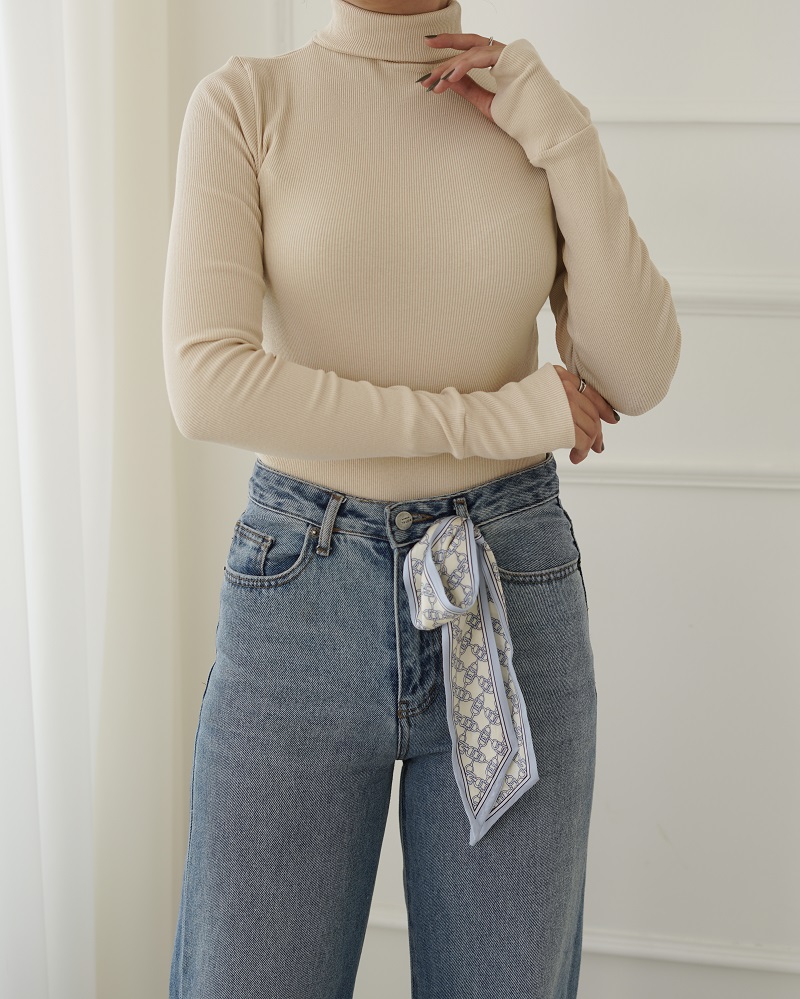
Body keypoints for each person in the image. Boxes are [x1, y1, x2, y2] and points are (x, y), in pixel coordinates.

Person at [162, 0, 681, 996]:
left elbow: (638, 371)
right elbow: (207, 383)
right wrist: (498, 418)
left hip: (507, 587)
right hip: (300, 599)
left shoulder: (526, 112)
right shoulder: (247, 101)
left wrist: (563, 139)